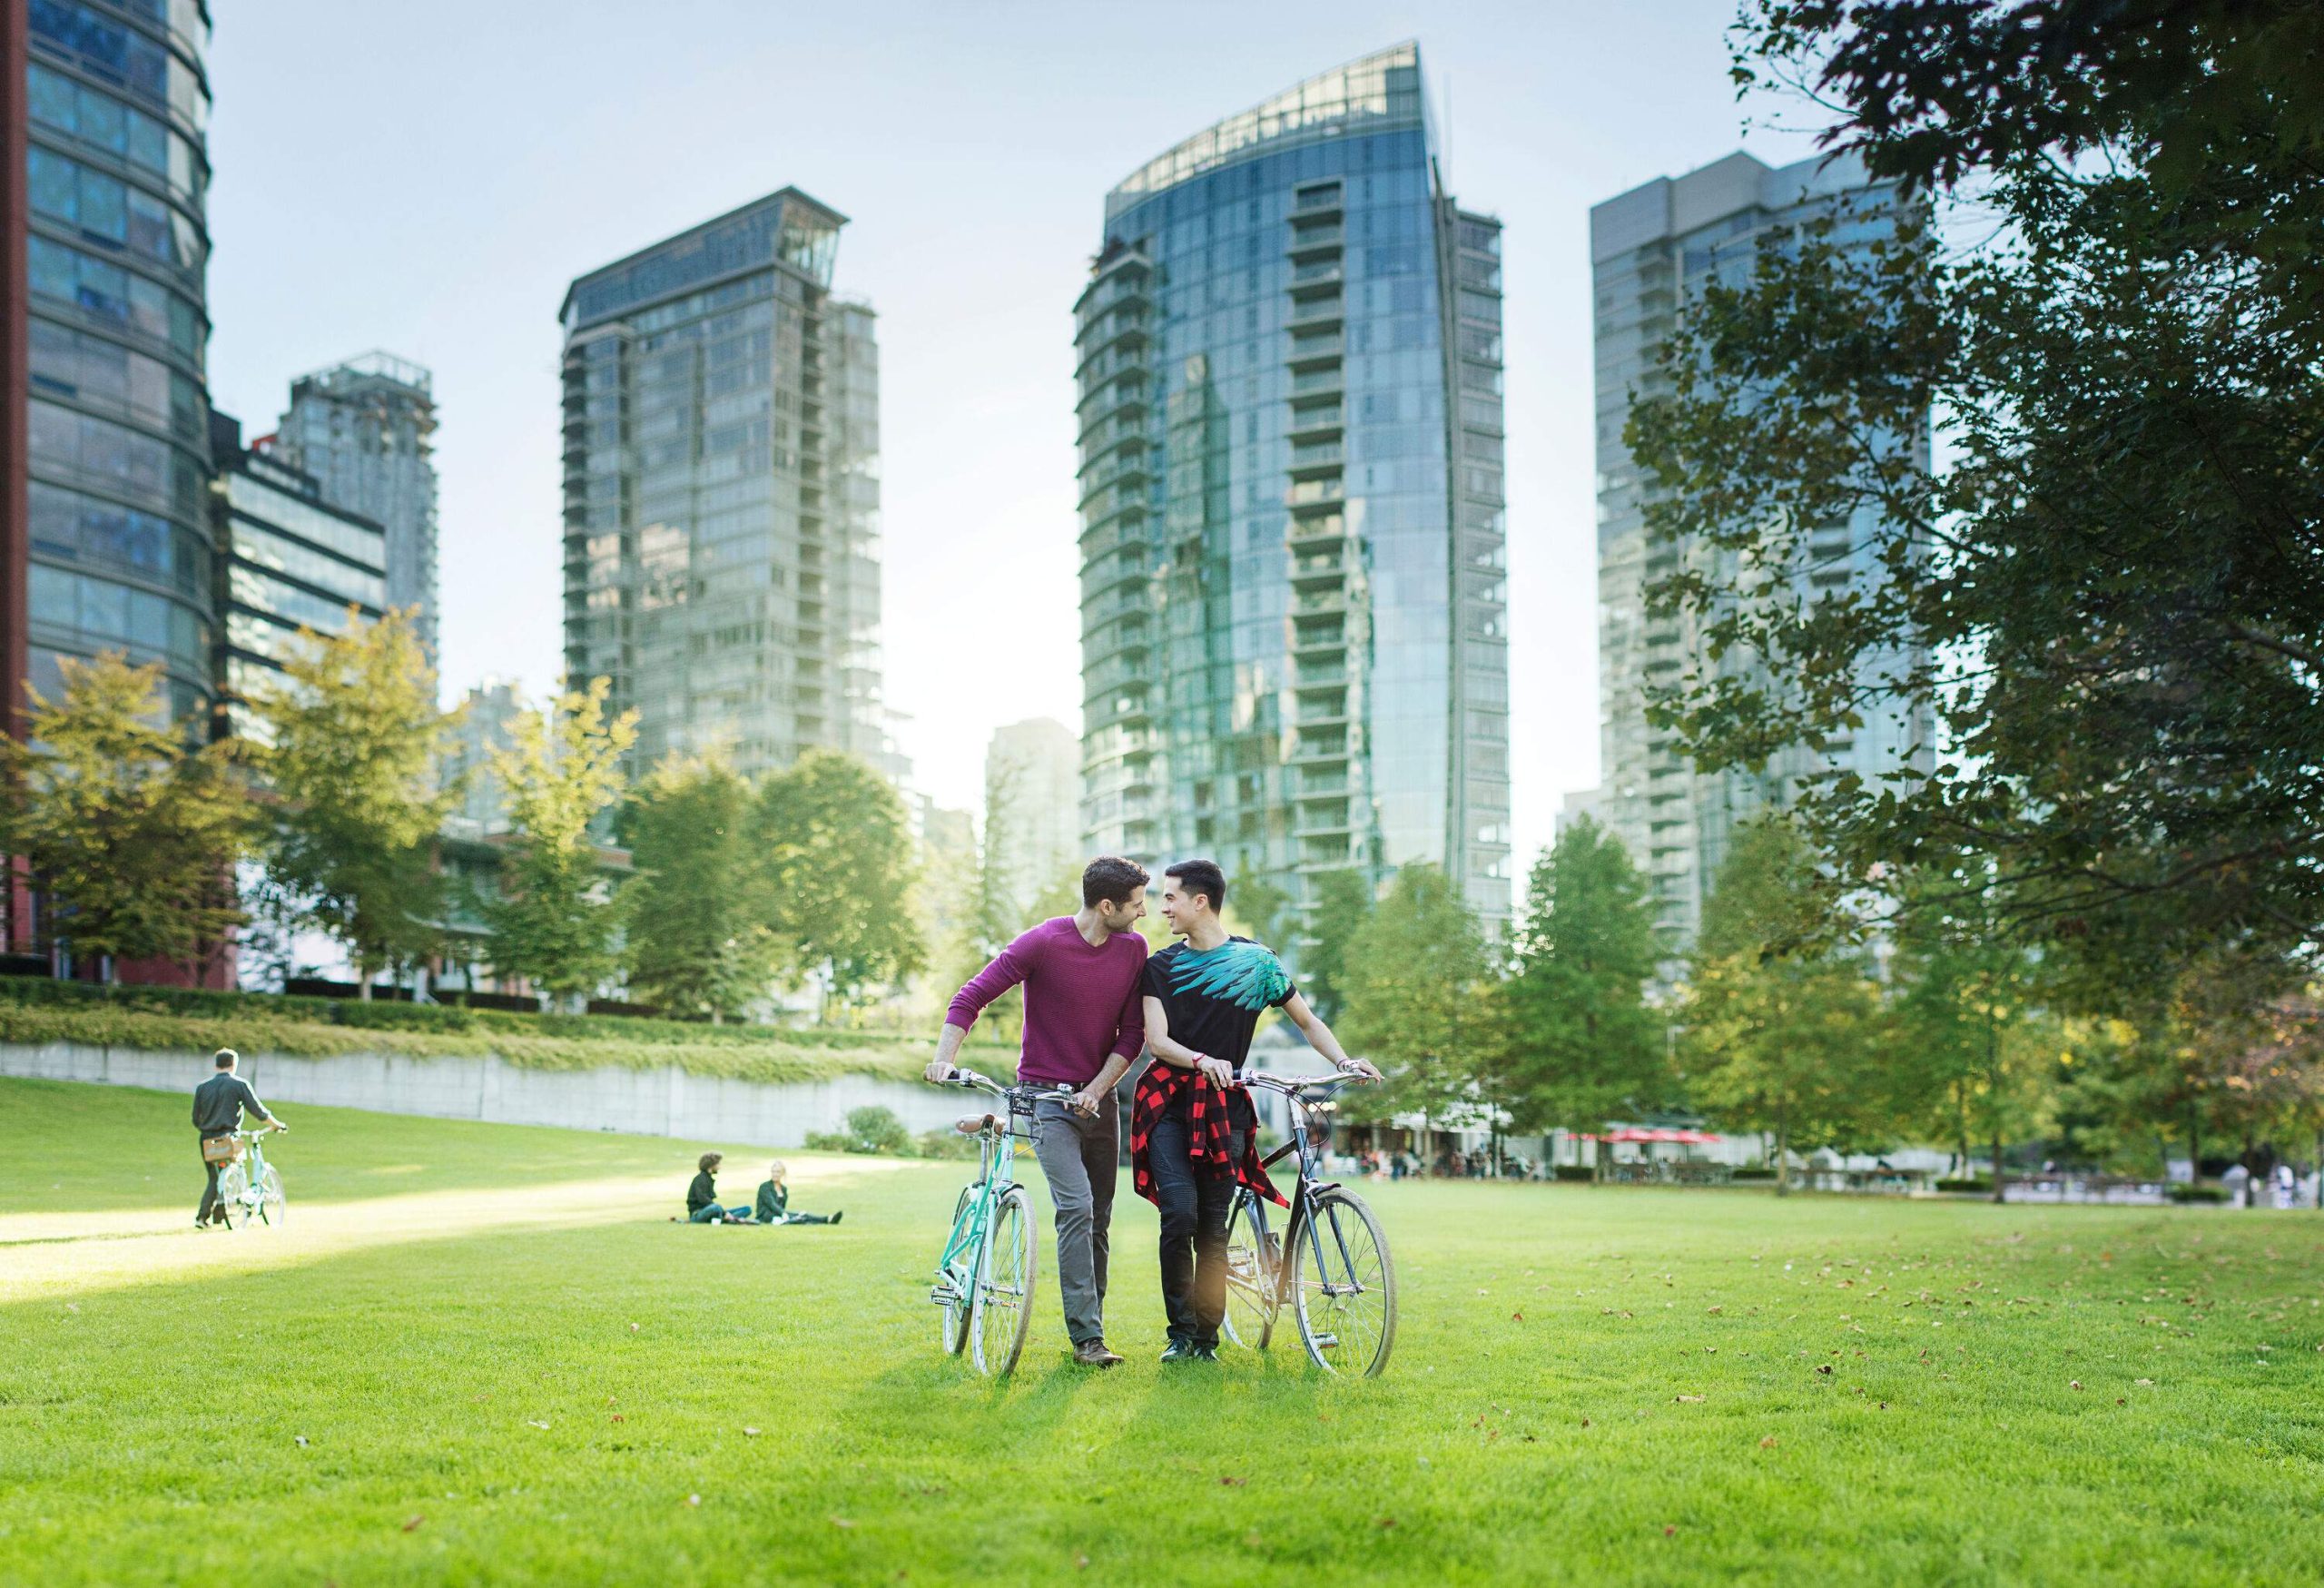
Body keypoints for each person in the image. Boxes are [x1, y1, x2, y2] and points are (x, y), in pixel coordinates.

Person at [1130, 858, 1380, 1363]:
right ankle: (1180, 1334)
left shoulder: (1258, 964)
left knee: (1213, 1227)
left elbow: (1307, 1022)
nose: (1163, 908)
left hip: (1226, 1109)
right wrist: (1201, 1060)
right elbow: (1157, 1042)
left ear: (1200, 902)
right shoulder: (1159, 966)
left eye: (1171, 897)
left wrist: (1343, 1059)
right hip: (1169, 1105)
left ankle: (1205, 1341)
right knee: (1179, 1213)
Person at [926, 855, 1151, 1368]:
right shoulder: (1044, 942)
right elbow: (970, 997)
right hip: (1045, 1099)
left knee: (1099, 1220)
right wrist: (944, 1059)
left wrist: (1096, 1089)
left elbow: (1134, 1033)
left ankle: (1090, 1326)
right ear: (1107, 905)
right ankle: (1087, 1341)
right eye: (1137, 904)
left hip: (1100, 1099)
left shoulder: (1134, 949)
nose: (1144, 913)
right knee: (1076, 1207)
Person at [192, 1047, 284, 1228]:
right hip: (228, 1137)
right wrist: (276, 1125)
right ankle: (225, 1213)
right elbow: (259, 1112)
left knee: (214, 1177)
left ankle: (205, 1217)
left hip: (206, 1139)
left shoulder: (202, 1087)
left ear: (216, 1064)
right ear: (234, 1065)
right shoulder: (239, 1084)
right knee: (232, 1172)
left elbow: (196, 1118)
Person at [755, 1160, 842, 1226]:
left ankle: (828, 1219)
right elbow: (771, 1204)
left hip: (779, 1214)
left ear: (782, 1173)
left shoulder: (783, 1189)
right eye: (773, 1171)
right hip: (766, 1216)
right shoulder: (765, 1187)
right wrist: (783, 1213)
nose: (775, 1174)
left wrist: (784, 1213)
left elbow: (782, 1206)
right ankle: (826, 1220)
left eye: (777, 1172)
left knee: (802, 1215)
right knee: (800, 1217)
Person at [685, 1152, 752, 1224]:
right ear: (711, 1165)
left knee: (747, 1209)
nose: (720, 1167)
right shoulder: (700, 1179)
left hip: (712, 1211)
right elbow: (704, 1200)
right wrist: (724, 1213)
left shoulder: (708, 1178)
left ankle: (726, 1219)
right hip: (698, 1214)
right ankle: (727, 1219)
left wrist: (723, 1212)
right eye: (718, 1164)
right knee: (716, 1207)